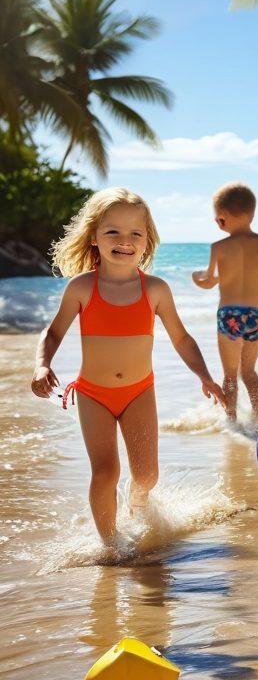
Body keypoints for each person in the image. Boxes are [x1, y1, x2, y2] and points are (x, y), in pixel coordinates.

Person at [30, 188, 225, 548]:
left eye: (136, 233)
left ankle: (138, 511)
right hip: (94, 394)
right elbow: (54, 331)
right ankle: (110, 545)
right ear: (94, 237)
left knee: (146, 475)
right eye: (113, 232)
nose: (125, 241)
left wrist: (206, 378)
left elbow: (182, 339)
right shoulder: (82, 288)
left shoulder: (155, 289)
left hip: (138, 392)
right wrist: (43, 365)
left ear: (147, 240)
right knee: (105, 473)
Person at [192, 183, 258, 423]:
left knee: (230, 375)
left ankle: (231, 422)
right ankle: (257, 419)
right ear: (252, 213)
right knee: (249, 371)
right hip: (257, 314)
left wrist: (197, 279)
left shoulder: (219, 247)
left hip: (229, 315)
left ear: (221, 218)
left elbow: (210, 281)